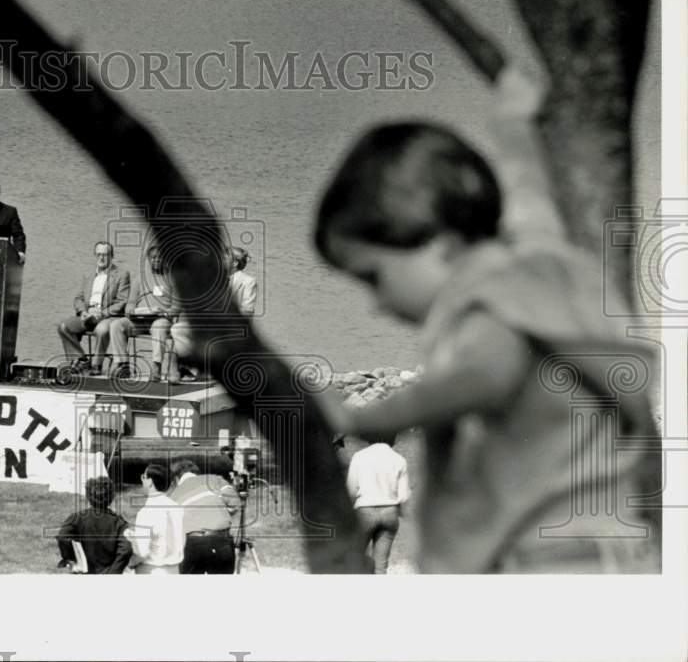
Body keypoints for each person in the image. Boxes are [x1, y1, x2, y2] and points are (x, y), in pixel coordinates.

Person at [313, 67, 661, 574]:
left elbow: (481, 377)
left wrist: (361, 418)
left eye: (374, 277)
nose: (376, 305)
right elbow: (529, 191)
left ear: (439, 243)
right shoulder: (535, 259)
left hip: (553, 565)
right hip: (611, 544)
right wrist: (512, 122)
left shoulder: (489, 311)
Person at [170, 245, 258, 379]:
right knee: (178, 329)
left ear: (235, 262)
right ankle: (194, 368)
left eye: (224, 258)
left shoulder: (248, 282)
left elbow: (248, 310)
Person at [57, 242, 130, 376]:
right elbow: (78, 298)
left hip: (108, 316)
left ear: (111, 256)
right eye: (98, 254)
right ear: (94, 255)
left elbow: (122, 302)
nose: (101, 258)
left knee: (102, 330)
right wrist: (83, 312)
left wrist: (101, 314)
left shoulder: (121, 274)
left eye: (105, 255)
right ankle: (81, 360)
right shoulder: (88, 275)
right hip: (88, 314)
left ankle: (97, 364)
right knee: (63, 326)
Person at [108, 244, 179, 381]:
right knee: (117, 325)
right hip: (139, 320)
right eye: (153, 258)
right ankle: (122, 365)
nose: (156, 261)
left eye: (159, 258)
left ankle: (156, 366)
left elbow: (177, 307)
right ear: (149, 259)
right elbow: (131, 302)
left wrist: (165, 312)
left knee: (159, 326)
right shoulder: (140, 278)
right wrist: (130, 310)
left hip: (161, 320)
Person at [345, 433, 410, 574]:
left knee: (353, 560)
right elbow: (404, 496)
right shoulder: (400, 460)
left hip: (365, 511)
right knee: (381, 566)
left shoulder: (359, 457)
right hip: (390, 513)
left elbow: (351, 489)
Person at [169, 459, 239, 574]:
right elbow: (235, 505)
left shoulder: (174, 495)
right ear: (198, 473)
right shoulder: (216, 479)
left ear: (176, 478)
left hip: (192, 543)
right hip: (220, 540)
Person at [56, 476, 133, 574]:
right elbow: (126, 550)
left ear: (88, 496)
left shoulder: (76, 518)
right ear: (111, 497)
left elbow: (62, 537)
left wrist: (71, 558)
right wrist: (113, 572)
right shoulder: (119, 523)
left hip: (82, 572)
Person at [126, 463, 184, 574]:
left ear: (150, 482)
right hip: (174, 569)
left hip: (152, 570)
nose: (142, 479)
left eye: (144, 476)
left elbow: (142, 552)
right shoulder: (177, 507)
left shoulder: (146, 512)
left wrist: (129, 563)